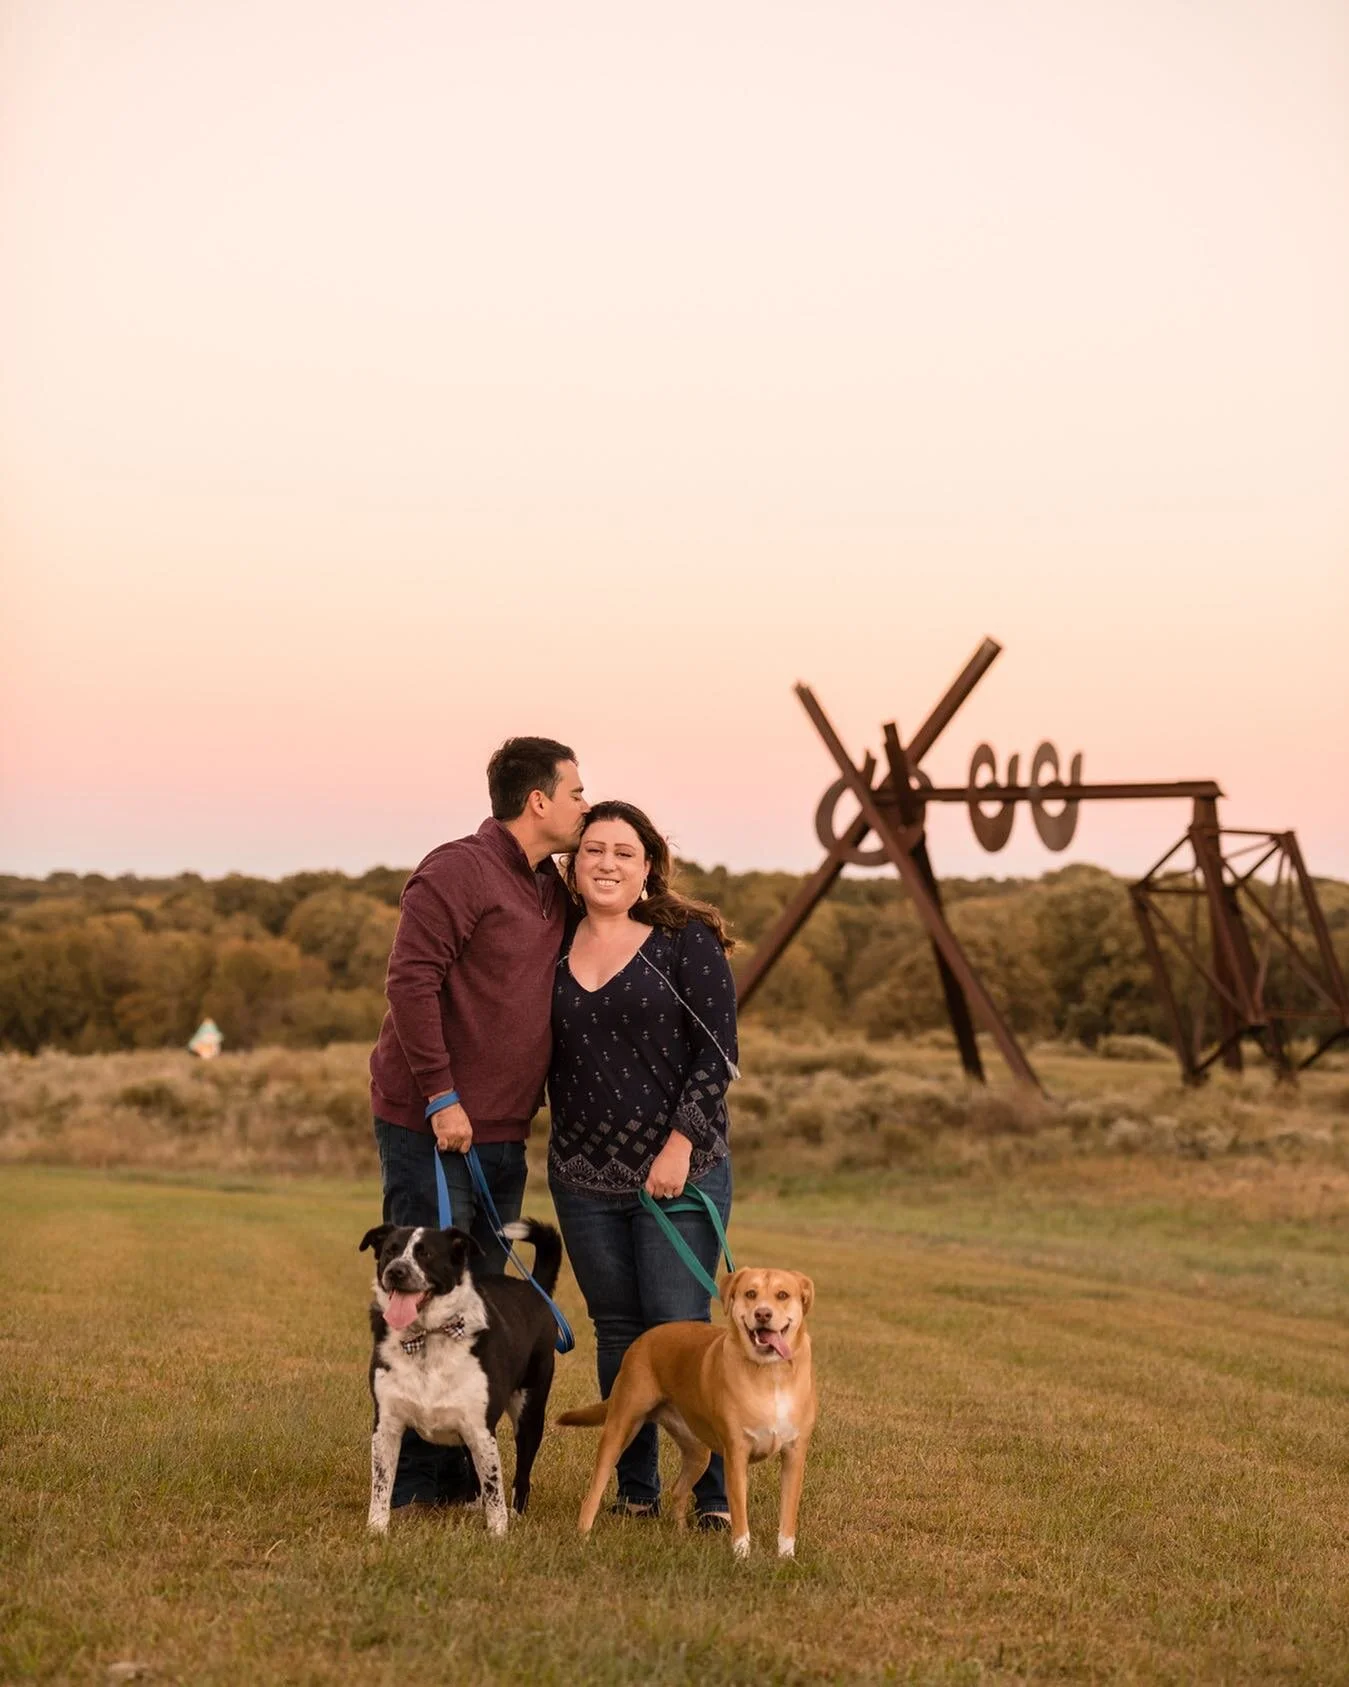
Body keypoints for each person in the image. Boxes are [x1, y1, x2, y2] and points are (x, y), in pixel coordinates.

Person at [368, 735, 588, 1510]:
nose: (584, 805)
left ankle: (465, 1473)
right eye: (576, 792)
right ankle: (411, 1484)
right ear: (538, 800)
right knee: (417, 1292)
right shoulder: (457, 870)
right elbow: (410, 980)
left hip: (501, 1130)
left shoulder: (549, 887)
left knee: (477, 1306)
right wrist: (439, 1094)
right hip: (432, 1123)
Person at [548, 799, 738, 1529]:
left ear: (649, 865)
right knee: (619, 1332)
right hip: (581, 1177)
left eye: (623, 852)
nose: (606, 863)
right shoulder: (550, 942)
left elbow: (717, 1056)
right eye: (592, 850)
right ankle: (635, 1491)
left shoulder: (682, 942)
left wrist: (680, 1144)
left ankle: (715, 1498)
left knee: (680, 1328)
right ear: (572, 864)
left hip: (677, 1172)